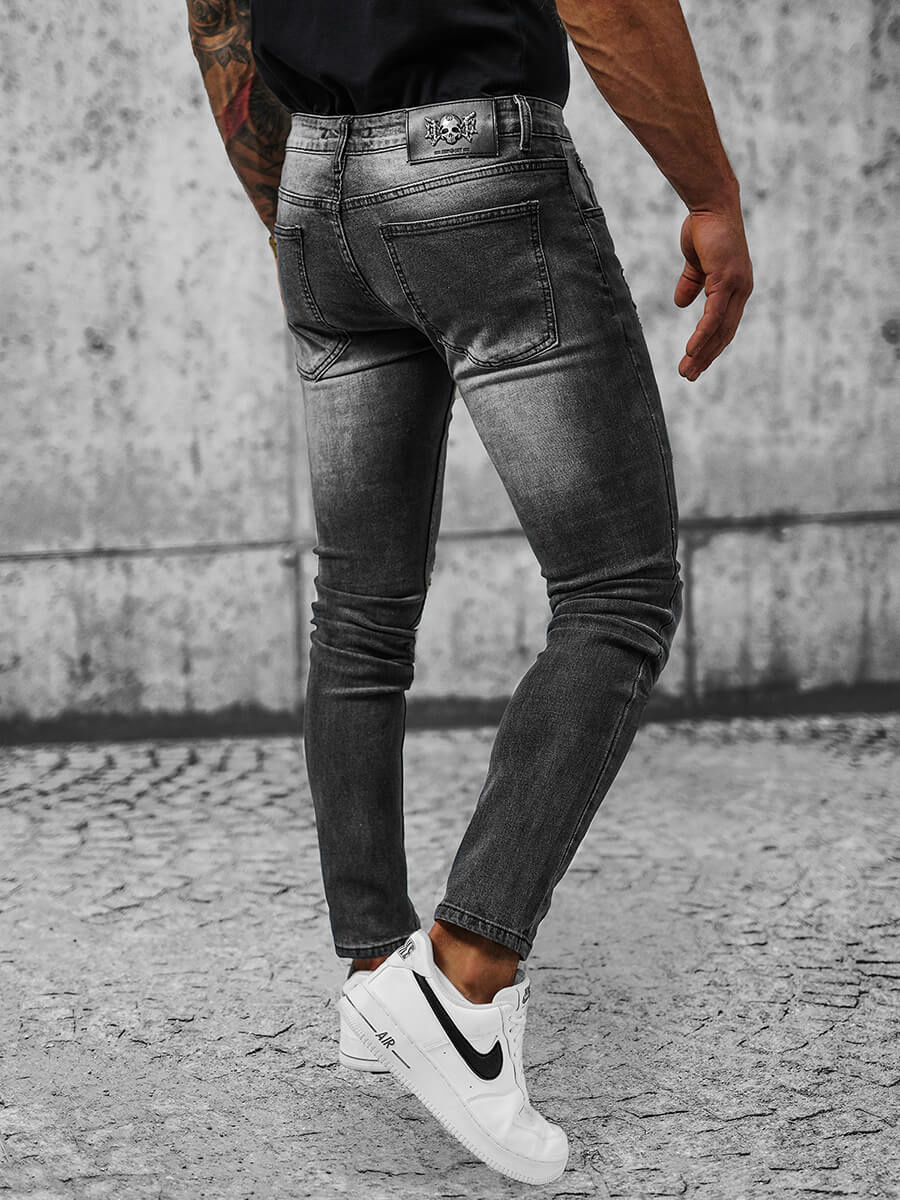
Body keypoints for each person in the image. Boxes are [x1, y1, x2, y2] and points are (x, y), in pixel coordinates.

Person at [187, 0, 753, 1184]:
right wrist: (710, 195)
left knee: (359, 606)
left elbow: (218, 15)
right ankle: (463, 977)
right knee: (619, 591)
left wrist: (312, 194)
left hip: (315, 179)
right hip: (479, 169)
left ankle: (373, 979)